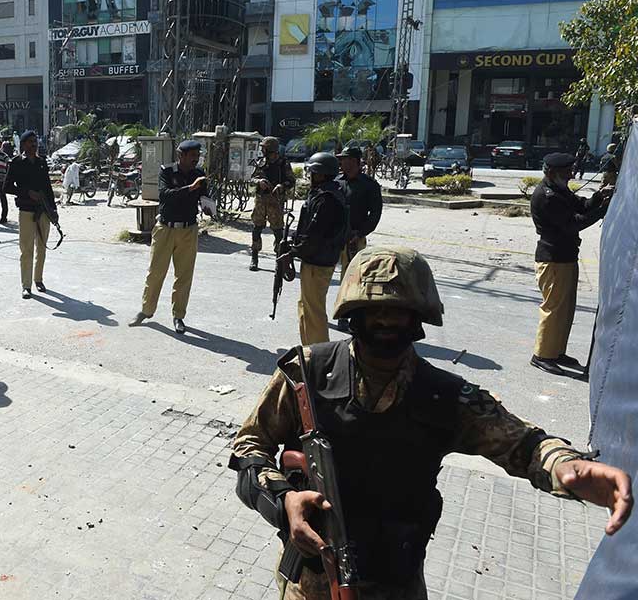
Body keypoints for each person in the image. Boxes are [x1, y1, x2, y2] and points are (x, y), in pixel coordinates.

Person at [229, 247, 633, 600]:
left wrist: (565, 466)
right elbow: (248, 447)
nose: (386, 319)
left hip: (397, 584)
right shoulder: (307, 372)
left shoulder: (443, 395)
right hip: (312, 584)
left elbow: (523, 444)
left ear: (420, 316)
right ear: (353, 314)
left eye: (398, 310)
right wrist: (284, 502)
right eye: (375, 309)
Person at [530, 152, 612, 376]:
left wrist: (598, 197)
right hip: (553, 259)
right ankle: (541, 356)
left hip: (565, 256)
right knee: (553, 309)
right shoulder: (547, 196)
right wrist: (602, 211)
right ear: (553, 172)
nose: (571, 173)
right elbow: (573, 223)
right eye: (567, 170)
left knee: (566, 310)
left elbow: (581, 205)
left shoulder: (559, 190)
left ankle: (555, 351)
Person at [129, 140, 209, 335]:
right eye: (192, 156)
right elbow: (165, 195)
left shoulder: (199, 174)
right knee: (156, 272)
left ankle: (178, 316)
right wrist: (190, 188)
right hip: (165, 229)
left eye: (197, 156)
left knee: (184, 276)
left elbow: (204, 196)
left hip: (189, 230)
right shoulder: (167, 171)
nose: (195, 160)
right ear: (180, 155)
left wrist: (208, 205)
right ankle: (146, 311)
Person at [292, 152, 347, 346]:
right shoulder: (323, 193)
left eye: (313, 172)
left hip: (318, 261)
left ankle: (320, 354)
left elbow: (315, 234)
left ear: (322, 174)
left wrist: (295, 251)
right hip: (314, 259)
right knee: (305, 308)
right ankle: (309, 350)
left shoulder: (327, 199)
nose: (310, 176)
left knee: (313, 311)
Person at [4, 130, 57, 299]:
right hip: (26, 211)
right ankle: (26, 285)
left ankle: (38, 279)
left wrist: (54, 210)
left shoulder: (42, 162)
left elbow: (48, 188)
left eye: (35, 141)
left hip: (43, 211)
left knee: (41, 248)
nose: (34, 144)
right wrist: (27, 193)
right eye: (30, 142)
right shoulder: (16, 163)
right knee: (26, 249)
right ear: (23, 144)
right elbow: (6, 187)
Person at [335, 145, 383, 331]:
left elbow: (375, 214)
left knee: (351, 279)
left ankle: (345, 316)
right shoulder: (338, 181)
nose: (342, 162)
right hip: (335, 237)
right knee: (323, 274)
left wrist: (361, 233)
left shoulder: (369, 185)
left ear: (355, 161)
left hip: (354, 238)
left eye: (345, 159)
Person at [249, 136, 296, 271]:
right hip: (261, 200)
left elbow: (291, 181)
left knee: (278, 231)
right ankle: (254, 257)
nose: (262, 150)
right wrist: (259, 182)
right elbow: (252, 178)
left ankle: (279, 260)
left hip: (276, 201)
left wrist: (282, 186)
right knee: (257, 228)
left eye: (264, 148)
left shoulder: (283, 164)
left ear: (270, 149)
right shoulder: (260, 162)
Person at [0, 140, 12, 223]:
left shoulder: (4, 156)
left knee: (2, 199)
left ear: (0, 146)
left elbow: (10, 164)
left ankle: (4, 217)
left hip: (1, 180)